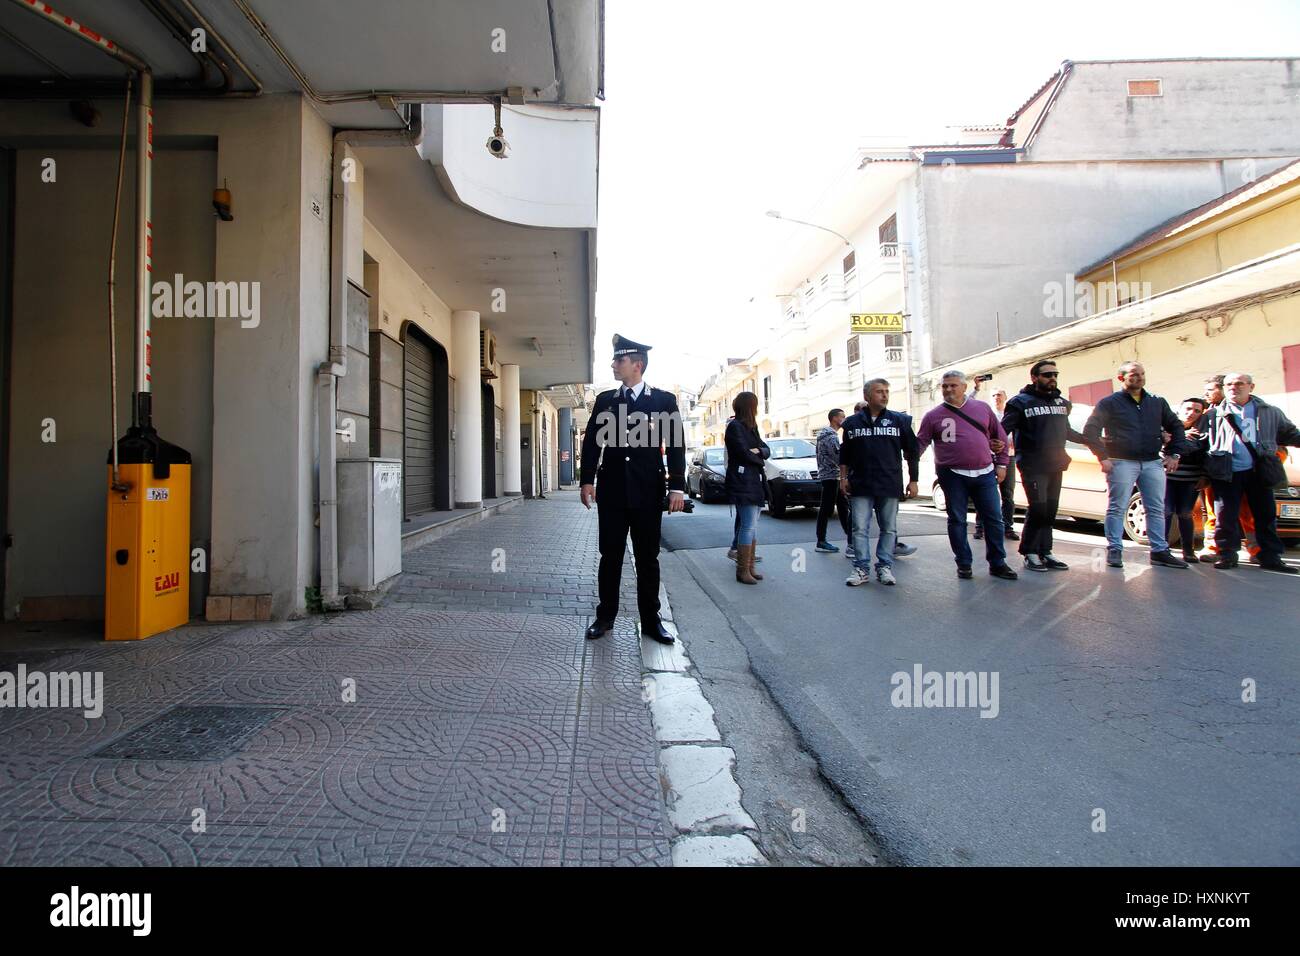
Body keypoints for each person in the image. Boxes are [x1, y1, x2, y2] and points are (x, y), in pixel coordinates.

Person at [579, 334, 686, 643]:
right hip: (612, 492)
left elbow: (676, 444)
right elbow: (591, 444)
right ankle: (605, 617)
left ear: (637, 365)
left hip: (648, 492)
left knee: (647, 559)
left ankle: (651, 621)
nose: (614, 364)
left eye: (619, 360)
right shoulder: (605, 400)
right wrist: (587, 480)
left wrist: (676, 487)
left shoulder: (663, 401)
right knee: (609, 557)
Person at [1081, 361, 1190, 569]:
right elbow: (1091, 431)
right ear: (1121, 378)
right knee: (1117, 507)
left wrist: (1174, 453)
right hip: (1121, 462)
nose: (1139, 378)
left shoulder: (1157, 402)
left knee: (1156, 508)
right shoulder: (1109, 403)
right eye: (1133, 374)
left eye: (1142, 374)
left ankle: (1159, 550)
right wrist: (1102, 457)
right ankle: (1115, 548)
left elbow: (1176, 426)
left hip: (1152, 461)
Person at [916, 371, 1018, 580]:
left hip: (985, 472)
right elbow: (919, 445)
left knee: (994, 519)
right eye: (945, 386)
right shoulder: (932, 416)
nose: (948, 390)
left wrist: (1002, 465)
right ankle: (963, 563)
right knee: (957, 520)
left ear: (964, 387)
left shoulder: (982, 408)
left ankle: (997, 563)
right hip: (952, 474)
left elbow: (1000, 438)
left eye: (953, 386)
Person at [1196, 371, 1300, 573]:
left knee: (1265, 516)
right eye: (1229, 385)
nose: (1234, 388)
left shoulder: (1270, 411)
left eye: (1239, 384)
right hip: (1227, 472)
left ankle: (1270, 557)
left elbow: (1289, 433)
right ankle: (1226, 555)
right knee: (1225, 517)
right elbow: (1199, 442)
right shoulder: (1212, 415)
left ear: (1251, 387)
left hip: (1259, 471)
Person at [999, 359, 1090, 571]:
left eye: (1055, 375)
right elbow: (1003, 431)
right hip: (1032, 464)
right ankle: (1029, 551)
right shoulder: (1020, 402)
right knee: (1038, 509)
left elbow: (1068, 432)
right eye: (1047, 375)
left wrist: (1092, 440)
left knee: (1050, 510)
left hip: (1056, 464)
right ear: (1034, 378)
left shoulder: (1061, 403)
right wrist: (996, 451)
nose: (1052, 379)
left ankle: (1046, 551)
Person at [838, 379, 919, 587]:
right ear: (867, 396)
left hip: (889, 483)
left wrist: (913, 480)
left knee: (889, 528)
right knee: (859, 528)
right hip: (861, 484)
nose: (884, 395)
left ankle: (884, 566)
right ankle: (861, 568)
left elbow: (912, 452)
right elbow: (845, 454)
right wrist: (843, 478)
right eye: (878, 392)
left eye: (886, 392)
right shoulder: (852, 424)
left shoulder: (899, 421)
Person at [725, 392, 770, 585]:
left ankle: (749, 567)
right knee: (748, 525)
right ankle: (743, 570)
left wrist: (758, 452)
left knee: (751, 525)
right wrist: (759, 455)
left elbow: (766, 449)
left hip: (754, 480)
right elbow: (742, 453)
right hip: (743, 481)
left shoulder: (751, 427)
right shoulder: (735, 426)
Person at [1165, 397, 1208, 563]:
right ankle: (1162, 549)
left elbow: (1190, 449)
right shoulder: (1166, 425)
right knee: (1166, 511)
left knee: (1185, 513)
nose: (1191, 413)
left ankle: (1188, 551)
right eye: (1188, 409)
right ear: (1180, 409)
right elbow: (1160, 445)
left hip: (1190, 479)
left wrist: (1174, 439)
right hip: (1166, 476)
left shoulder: (1201, 432)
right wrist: (1180, 435)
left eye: (1197, 411)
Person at [975, 387, 1019, 542]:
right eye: (993, 395)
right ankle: (980, 527)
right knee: (984, 492)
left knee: (1008, 494)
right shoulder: (987, 415)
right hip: (988, 457)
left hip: (1009, 458)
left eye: (999, 395)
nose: (996, 398)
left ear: (1005, 397)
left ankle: (1008, 527)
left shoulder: (1010, 414)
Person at [814, 408, 851, 553]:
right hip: (830, 476)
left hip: (831, 475)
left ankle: (851, 538)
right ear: (835, 418)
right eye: (843, 416)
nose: (844, 419)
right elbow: (838, 457)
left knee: (842, 507)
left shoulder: (827, 435)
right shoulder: (830, 436)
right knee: (827, 508)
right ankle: (821, 541)